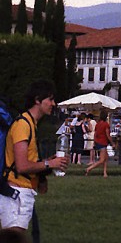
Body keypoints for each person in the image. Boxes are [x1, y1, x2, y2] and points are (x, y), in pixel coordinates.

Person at [0, 80, 68, 233]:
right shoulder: (23, 125)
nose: (54, 103)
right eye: (50, 99)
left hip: (21, 194)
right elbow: (22, 165)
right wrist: (50, 164)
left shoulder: (31, 124)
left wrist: (47, 164)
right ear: (38, 100)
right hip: (16, 196)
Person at [85, 110, 112, 177]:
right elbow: (107, 134)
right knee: (102, 160)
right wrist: (112, 142)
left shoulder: (98, 124)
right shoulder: (106, 124)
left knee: (105, 158)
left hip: (98, 142)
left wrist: (94, 142)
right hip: (103, 142)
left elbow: (95, 133)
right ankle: (89, 169)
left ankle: (105, 173)